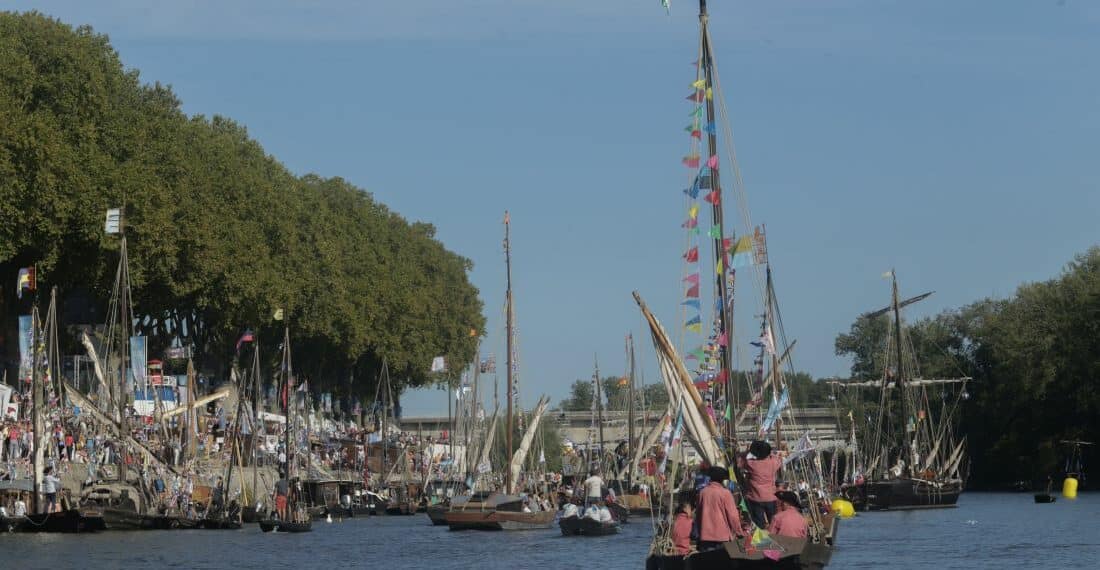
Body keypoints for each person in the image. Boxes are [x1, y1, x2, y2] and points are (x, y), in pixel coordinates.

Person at [697, 466, 745, 551]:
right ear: (722, 479)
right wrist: (739, 532)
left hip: (705, 537)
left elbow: (698, 515)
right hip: (722, 537)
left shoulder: (702, 492)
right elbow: (733, 516)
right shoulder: (725, 493)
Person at [742, 440, 782, 528]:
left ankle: (760, 540)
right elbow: (778, 459)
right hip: (770, 497)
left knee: (759, 524)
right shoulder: (773, 463)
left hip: (755, 498)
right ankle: (775, 538)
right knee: (773, 523)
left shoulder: (751, 464)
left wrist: (748, 451)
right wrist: (771, 454)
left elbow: (742, 460)